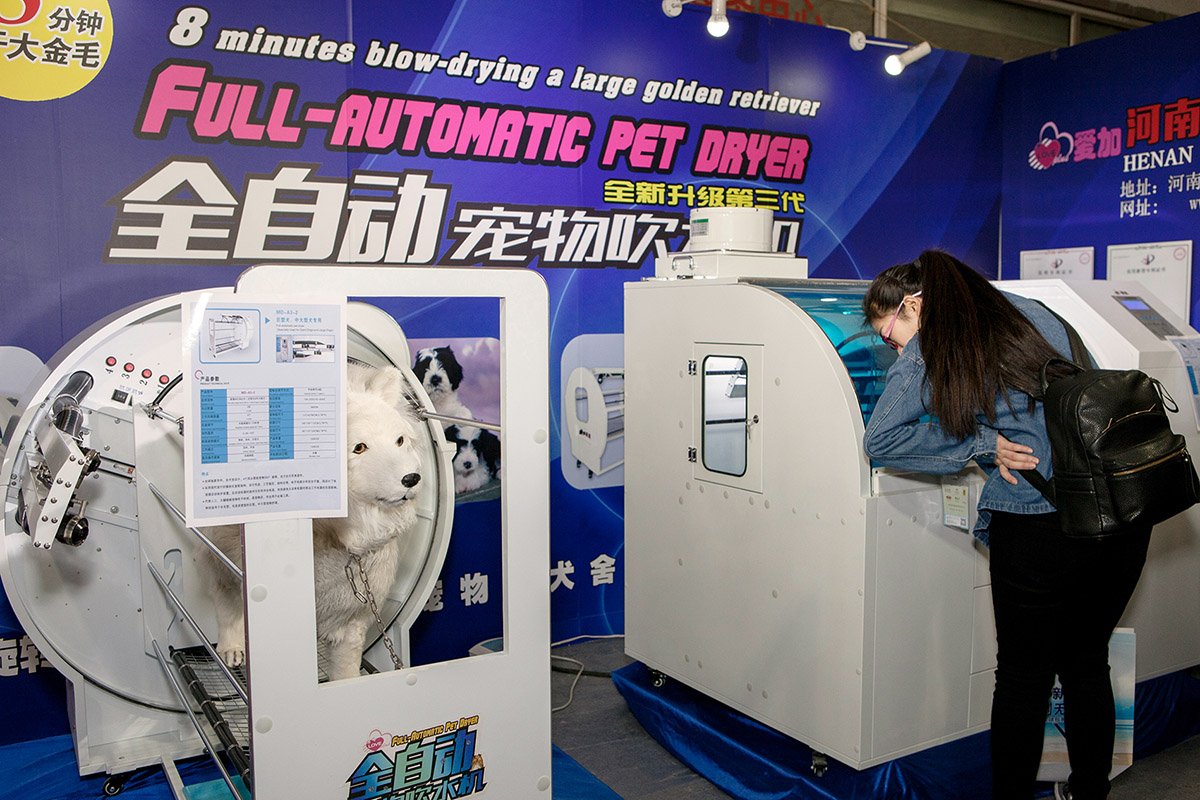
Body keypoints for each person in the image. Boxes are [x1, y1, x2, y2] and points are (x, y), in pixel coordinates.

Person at [861, 250, 1152, 800]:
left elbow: (881, 440)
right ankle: (1089, 791)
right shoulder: (1033, 312)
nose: (895, 349)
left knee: (1023, 678)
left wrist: (978, 445)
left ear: (914, 305)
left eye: (891, 336)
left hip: (1041, 524)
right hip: (1118, 516)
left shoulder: (936, 343)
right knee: (1086, 661)